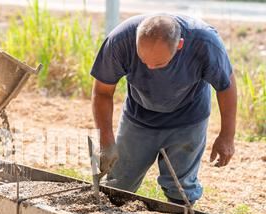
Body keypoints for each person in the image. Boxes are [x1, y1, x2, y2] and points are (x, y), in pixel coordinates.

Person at [90, 14, 237, 204]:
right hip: (139, 116)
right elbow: (102, 92)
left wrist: (227, 135)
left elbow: (226, 87)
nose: (150, 67)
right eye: (143, 60)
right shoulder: (120, 40)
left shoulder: (205, 43)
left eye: (159, 63)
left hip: (188, 118)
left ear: (180, 45)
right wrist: (106, 142)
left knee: (181, 190)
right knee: (117, 187)